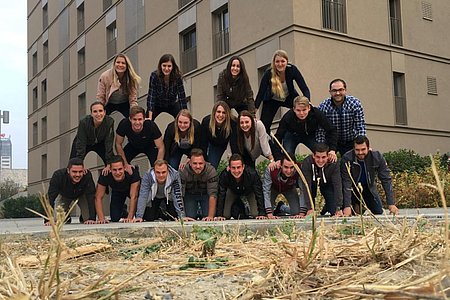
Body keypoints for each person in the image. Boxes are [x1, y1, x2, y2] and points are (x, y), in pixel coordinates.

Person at [341, 135, 399, 216]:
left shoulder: (377, 157)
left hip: (369, 189)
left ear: (368, 148)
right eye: (357, 150)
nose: (360, 152)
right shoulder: (347, 158)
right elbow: (346, 182)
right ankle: (356, 206)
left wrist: (391, 203)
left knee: (378, 211)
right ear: (353, 149)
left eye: (363, 149)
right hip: (352, 190)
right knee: (349, 213)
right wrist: (347, 206)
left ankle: (361, 206)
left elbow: (386, 180)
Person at [255, 50, 310, 133]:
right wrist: (253, 111)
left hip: (289, 97)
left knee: (300, 110)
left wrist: (307, 101)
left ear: (287, 62)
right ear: (274, 62)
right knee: (264, 125)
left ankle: (301, 131)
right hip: (272, 100)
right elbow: (260, 94)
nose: (280, 64)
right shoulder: (268, 73)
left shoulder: (292, 70)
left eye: (282, 61)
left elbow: (304, 88)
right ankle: (268, 141)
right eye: (277, 61)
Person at [273, 96, 338, 162]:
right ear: (294, 109)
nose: (301, 113)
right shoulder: (287, 117)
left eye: (304, 110)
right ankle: (289, 170)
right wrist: (278, 158)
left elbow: (331, 129)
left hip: (309, 135)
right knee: (288, 156)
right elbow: (277, 137)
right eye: (298, 110)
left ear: (309, 108)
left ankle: (320, 170)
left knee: (320, 153)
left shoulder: (316, 113)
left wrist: (332, 150)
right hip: (291, 135)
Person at [317, 79, 366, 156]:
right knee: (327, 164)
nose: (337, 93)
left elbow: (360, 126)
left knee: (353, 164)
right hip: (331, 142)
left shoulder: (355, 104)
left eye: (340, 90)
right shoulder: (323, 107)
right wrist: (321, 148)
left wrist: (361, 144)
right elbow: (321, 130)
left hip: (350, 140)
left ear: (345, 90)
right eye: (334, 90)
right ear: (330, 92)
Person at [115, 106, 165, 174]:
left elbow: (161, 147)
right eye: (134, 119)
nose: (137, 122)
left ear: (144, 119)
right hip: (133, 145)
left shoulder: (151, 125)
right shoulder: (124, 124)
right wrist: (125, 164)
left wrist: (158, 166)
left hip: (150, 146)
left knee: (159, 169)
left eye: (140, 119)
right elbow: (118, 144)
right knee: (120, 165)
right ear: (130, 119)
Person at [46, 158, 96, 225]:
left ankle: (83, 216)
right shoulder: (58, 175)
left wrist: (92, 218)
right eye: (74, 172)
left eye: (80, 172)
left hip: (81, 195)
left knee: (87, 219)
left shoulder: (87, 175)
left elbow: (91, 196)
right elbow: (50, 197)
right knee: (57, 220)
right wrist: (47, 219)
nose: (78, 175)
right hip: (64, 195)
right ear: (68, 170)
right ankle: (67, 216)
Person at [216, 154, 266, 220]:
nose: (236, 171)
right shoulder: (224, 175)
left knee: (256, 214)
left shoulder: (252, 174)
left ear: (243, 167)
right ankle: (236, 206)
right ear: (229, 168)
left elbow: (259, 193)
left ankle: (246, 209)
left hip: (249, 192)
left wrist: (262, 213)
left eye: (238, 167)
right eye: (233, 168)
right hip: (232, 191)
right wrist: (219, 214)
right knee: (225, 215)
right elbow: (221, 194)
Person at [69, 101, 114, 172]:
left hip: (100, 143)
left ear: (104, 112)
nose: (98, 114)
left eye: (100, 111)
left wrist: (109, 163)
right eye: (95, 111)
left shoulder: (109, 122)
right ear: (91, 114)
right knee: (73, 164)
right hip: (84, 142)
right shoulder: (84, 122)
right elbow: (81, 143)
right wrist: (80, 163)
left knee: (113, 165)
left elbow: (109, 142)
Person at [300, 143, 344, 217]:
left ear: (328, 156)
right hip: (312, 185)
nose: (320, 160)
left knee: (333, 210)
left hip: (327, 185)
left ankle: (326, 208)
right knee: (306, 212)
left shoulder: (333, 164)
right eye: (318, 157)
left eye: (323, 157)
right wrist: (310, 208)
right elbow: (306, 185)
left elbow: (337, 185)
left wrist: (338, 208)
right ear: (313, 155)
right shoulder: (307, 163)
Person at [95, 155, 141, 223]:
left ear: (124, 168)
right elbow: (98, 197)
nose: (117, 173)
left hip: (132, 191)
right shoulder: (105, 174)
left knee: (147, 215)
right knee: (114, 218)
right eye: (114, 170)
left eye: (120, 169)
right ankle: (123, 211)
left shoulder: (132, 172)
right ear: (110, 169)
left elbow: (134, 196)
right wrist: (101, 218)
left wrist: (130, 218)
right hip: (117, 191)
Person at [96, 53, 141, 118]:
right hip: (109, 103)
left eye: (123, 63)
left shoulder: (131, 78)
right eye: (118, 62)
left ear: (127, 65)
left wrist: (134, 113)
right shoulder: (105, 76)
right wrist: (99, 111)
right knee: (100, 118)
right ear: (114, 64)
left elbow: (133, 99)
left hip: (125, 102)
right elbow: (101, 96)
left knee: (133, 117)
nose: (120, 65)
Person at [262, 153, 305, 219]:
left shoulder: (299, 170)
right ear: (280, 165)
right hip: (273, 188)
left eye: (292, 167)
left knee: (296, 213)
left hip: (289, 188)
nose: (289, 171)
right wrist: (269, 213)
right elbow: (266, 191)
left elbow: (303, 189)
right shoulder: (272, 169)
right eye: (286, 167)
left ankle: (282, 207)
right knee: (267, 214)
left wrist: (302, 212)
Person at [179, 148, 218, 221]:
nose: (198, 166)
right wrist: (182, 216)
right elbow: (180, 194)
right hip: (190, 195)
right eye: (195, 163)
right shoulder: (183, 171)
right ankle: (197, 211)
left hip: (205, 195)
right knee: (190, 217)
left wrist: (210, 216)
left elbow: (213, 194)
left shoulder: (211, 171)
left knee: (207, 216)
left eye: (200, 163)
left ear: (205, 162)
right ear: (189, 163)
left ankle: (200, 211)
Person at [146, 54, 187, 121]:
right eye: (164, 66)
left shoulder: (177, 77)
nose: (166, 69)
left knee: (183, 118)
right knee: (147, 120)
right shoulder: (154, 76)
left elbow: (182, 97)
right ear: (160, 66)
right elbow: (151, 96)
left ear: (173, 66)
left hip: (172, 104)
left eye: (169, 66)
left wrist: (185, 115)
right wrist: (150, 117)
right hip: (157, 104)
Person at [201, 101, 234, 168]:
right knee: (211, 167)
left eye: (224, 112)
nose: (221, 115)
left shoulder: (233, 123)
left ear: (227, 114)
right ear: (214, 113)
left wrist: (231, 161)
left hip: (228, 143)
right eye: (218, 112)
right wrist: (205, 159)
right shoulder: (206, 122)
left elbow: (234, 145)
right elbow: (203, 144)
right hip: (214, 144)